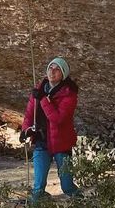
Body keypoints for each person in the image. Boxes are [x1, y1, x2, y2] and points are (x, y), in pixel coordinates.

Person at [20, 56, 79, 199]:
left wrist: (43, 99)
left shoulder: (69, 95)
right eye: (50, 68)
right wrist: (25, 130)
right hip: (41, 142)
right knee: (38, 188)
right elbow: (29, 114)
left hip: (62, 145)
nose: (52, 72)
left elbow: (57, 119)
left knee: (67, 187)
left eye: (57, 70)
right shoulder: (39, 90)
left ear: (63, 74)